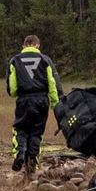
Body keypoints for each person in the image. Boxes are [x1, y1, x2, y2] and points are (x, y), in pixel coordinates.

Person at [6, 34, 59, 175]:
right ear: (37, 45)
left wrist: (16, 93)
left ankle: (20, 153)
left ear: (24, 45)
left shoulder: (15, 60)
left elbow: (12, 87)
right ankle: (33, 163)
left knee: (21, 128)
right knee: (37, 132)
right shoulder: (45, 59)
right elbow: (52, 82)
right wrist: (55, 102)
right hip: (41, 99)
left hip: (24, 99)